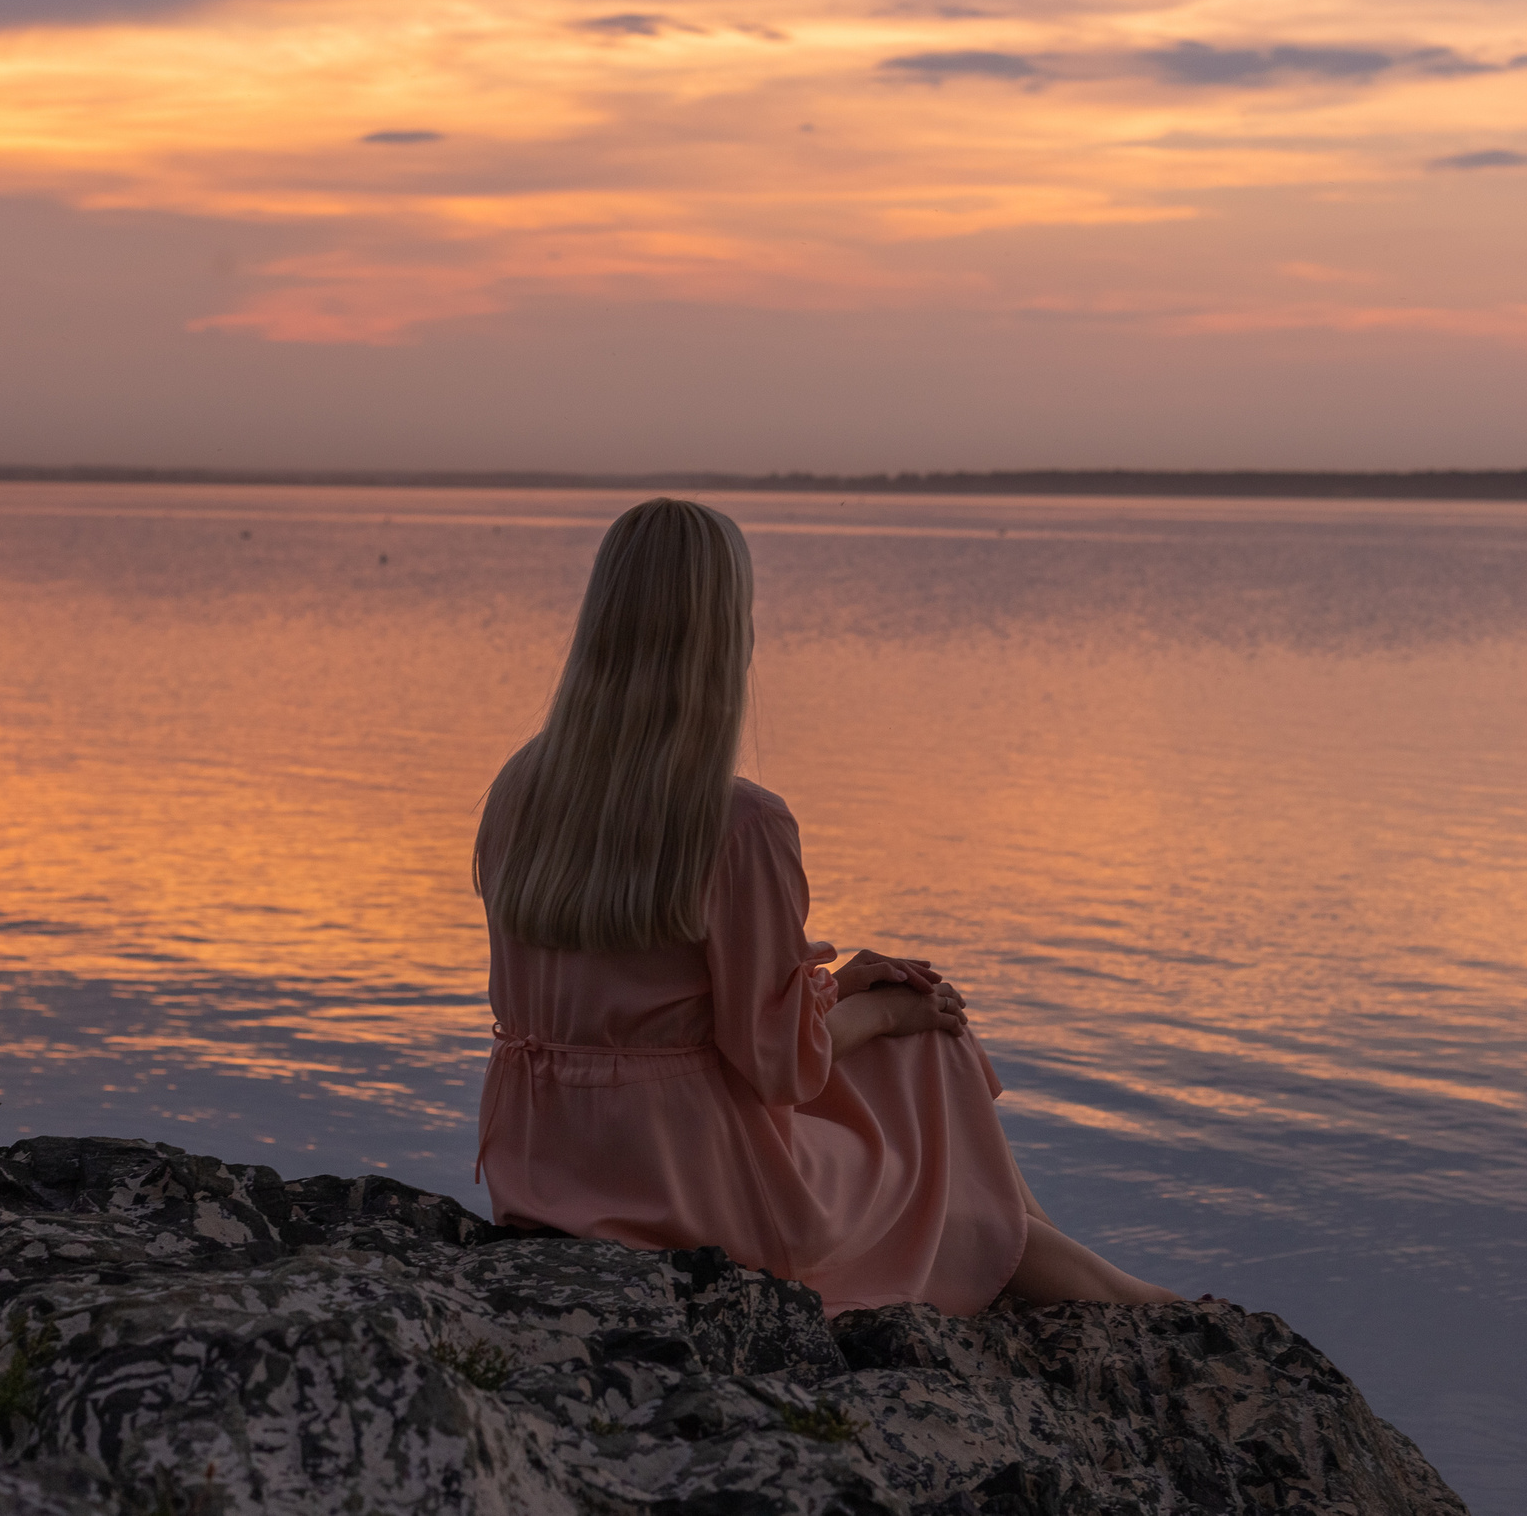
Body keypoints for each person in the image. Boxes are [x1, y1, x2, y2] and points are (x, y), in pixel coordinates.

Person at [473, 496, 1180, 1314]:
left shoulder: (518, 789)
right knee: (931, 1049)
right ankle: (1139, 1304)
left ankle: (1084, 1271)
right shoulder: (738, 822)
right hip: (690, 1190)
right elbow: (776, 1065)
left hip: (545, 1162)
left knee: (919, 1035)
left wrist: (840, 989)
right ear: (725, 634)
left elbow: (658, 1015)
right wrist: (881, 1014)